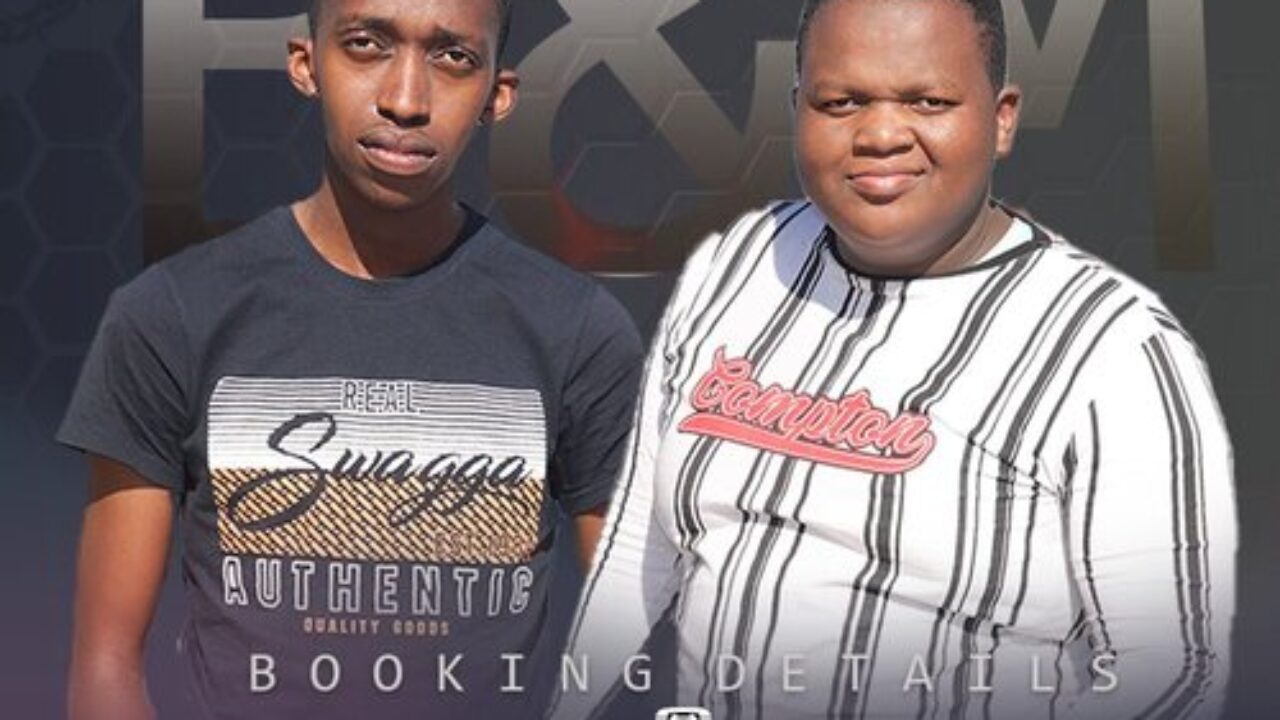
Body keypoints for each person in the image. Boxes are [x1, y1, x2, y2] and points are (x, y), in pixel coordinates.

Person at [551, 0, 1236, 718]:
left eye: (928, 102)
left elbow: (1172, 673)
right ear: (797, 111)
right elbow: (638, 552)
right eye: (841, 102)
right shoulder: (736, 264)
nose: (880, 134)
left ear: (1001, 119)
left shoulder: (1110, 345)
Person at [58, 1, 642, 718]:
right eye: (366, 45)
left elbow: (639, 655)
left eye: (453, 58)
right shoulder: (172, 314)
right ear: (307, 65)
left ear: (498, 95)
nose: (405, 99)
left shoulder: (575, 331)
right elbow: (106, 665)